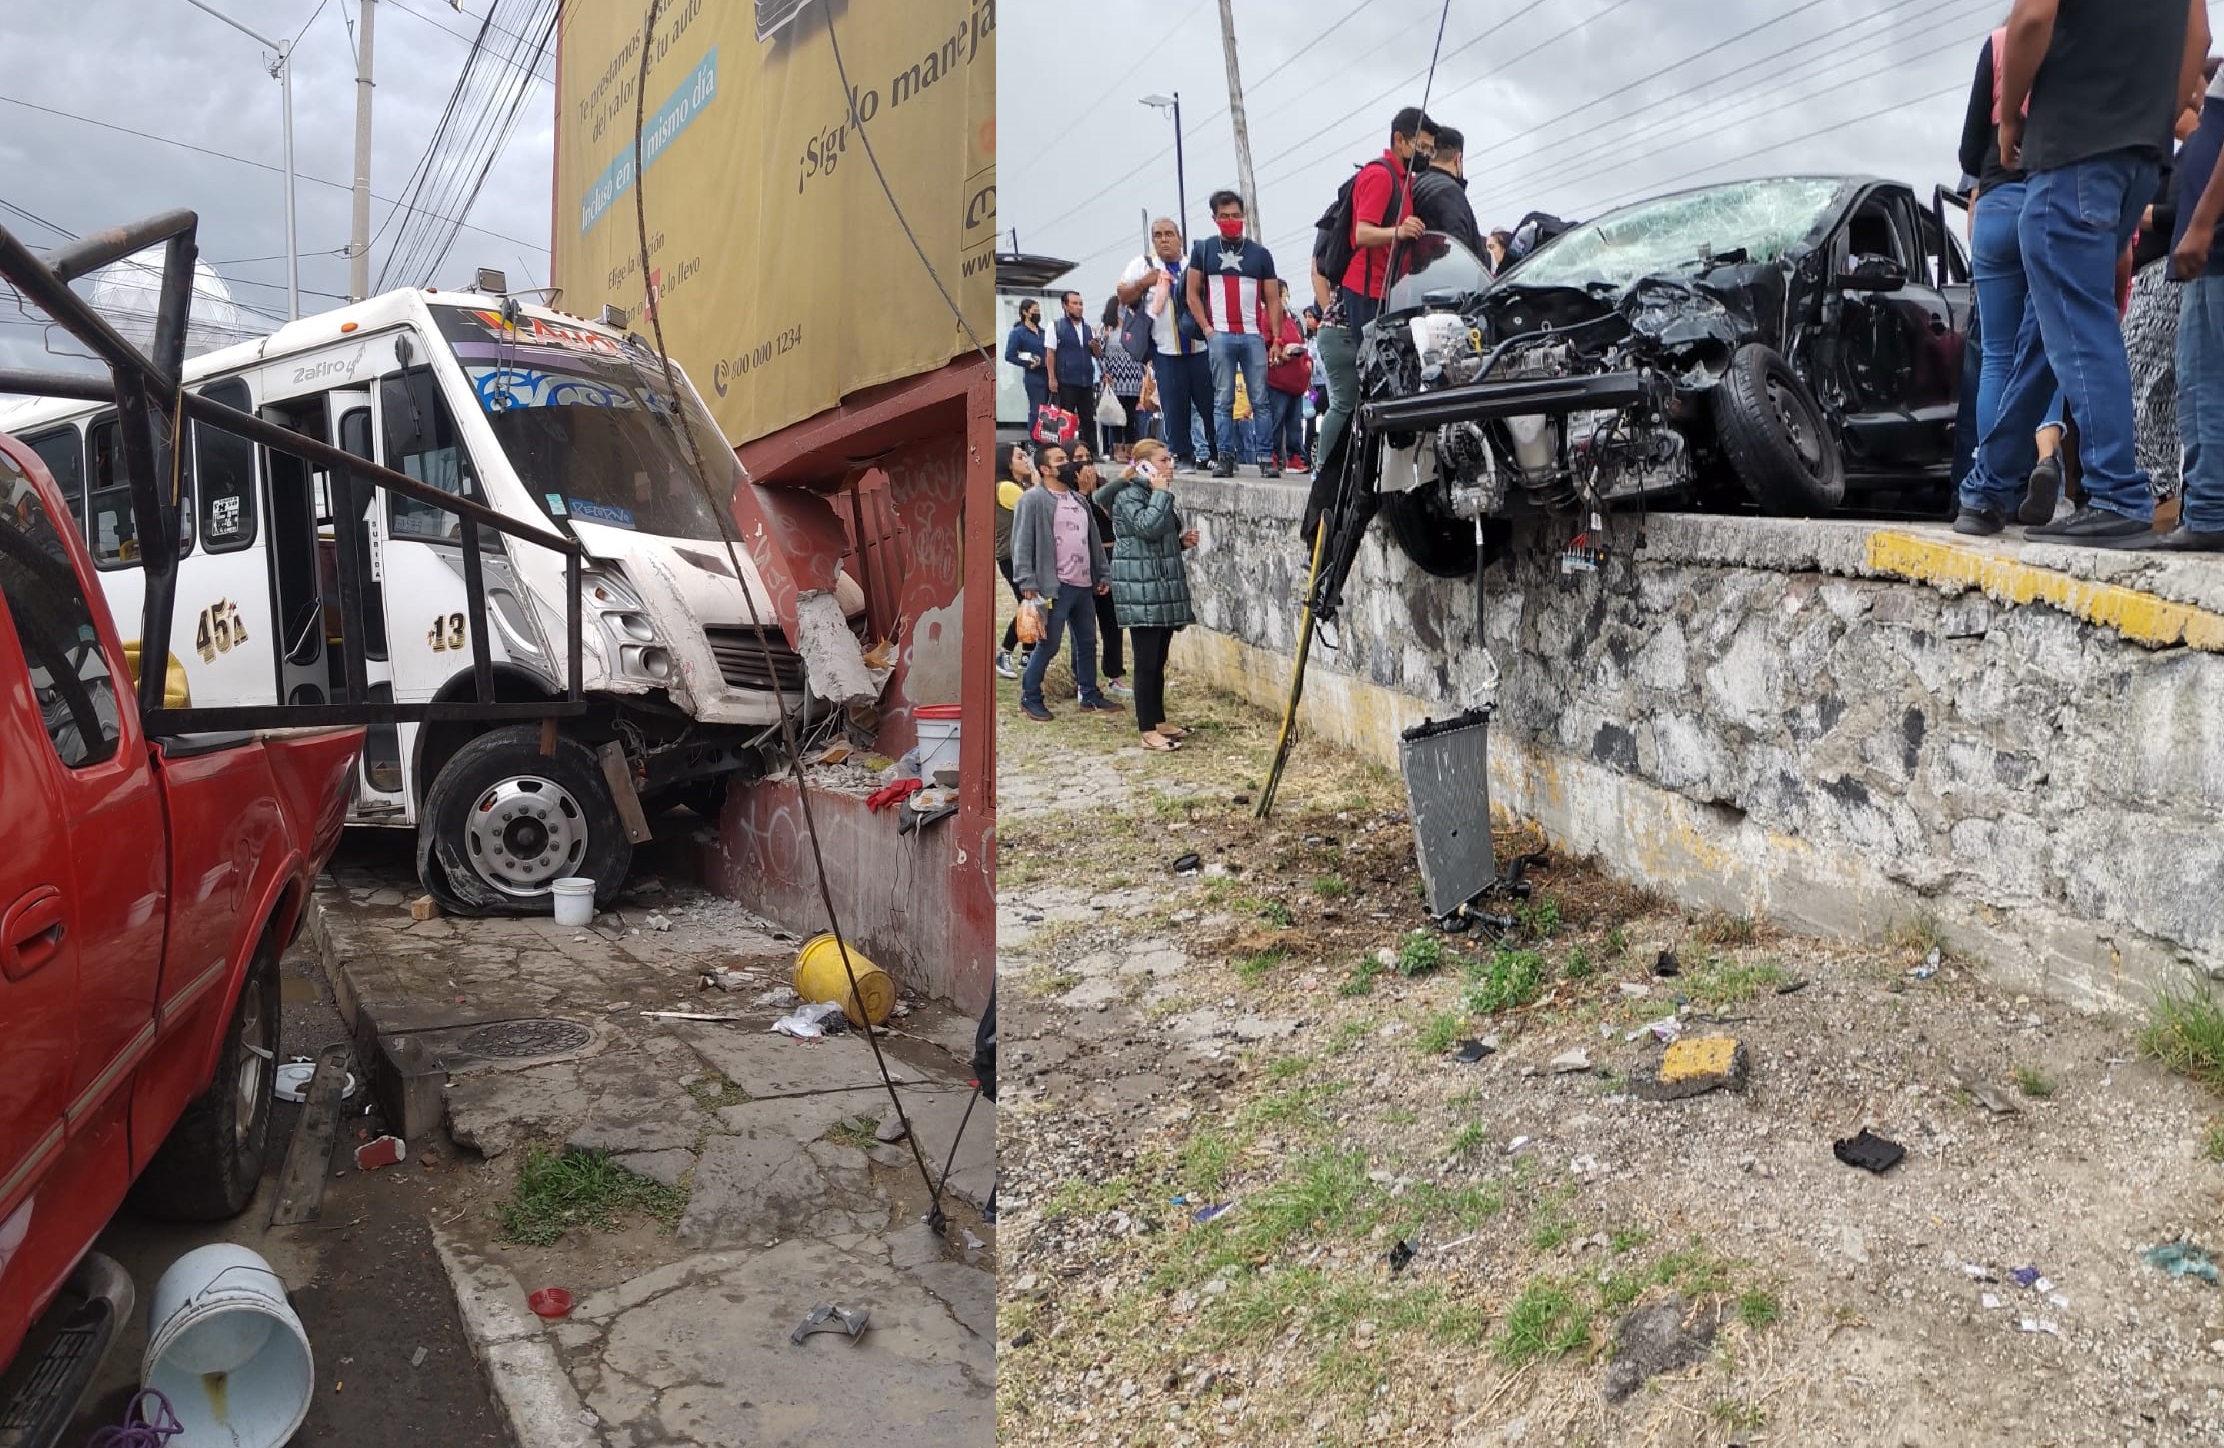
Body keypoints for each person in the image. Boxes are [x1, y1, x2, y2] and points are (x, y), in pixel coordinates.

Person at [1954, 0, 2208, 546]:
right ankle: (1989, 487)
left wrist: (2013, 115)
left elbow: (2031, 17)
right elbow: (2200, 36)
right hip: (2137, 159)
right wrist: (2156, 118)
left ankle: (2119, 492)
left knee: (2077, 321)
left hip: (2073, 152)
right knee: (2050, 328)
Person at [1315, 107, 1434, 474]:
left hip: (1380, 292)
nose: (1426, 154)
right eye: (1422, 146)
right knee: (1358, 393)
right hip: (1363, 291)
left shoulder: (1402, 180)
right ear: (1401, 140)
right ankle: (1326, 468)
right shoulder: (1381, 177)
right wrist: (1399, 231)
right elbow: (1362, 233)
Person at [1099, 440, 1198, 752]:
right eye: (1164, 460)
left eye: (1170, 459)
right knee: (1145, 662)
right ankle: (1146, 729)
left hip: (1159, 587)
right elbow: (1147, 527)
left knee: (1159, 660)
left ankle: (1159, 720)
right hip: (1141, 590)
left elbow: (1153, 539)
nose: (1170, 465)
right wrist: (1161, 493)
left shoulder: (1151, 494)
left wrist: (1180, 543)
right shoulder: (1129, 495)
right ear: (1144, 465)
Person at [1011, 442, 1121, 722]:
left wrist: (1102, 573)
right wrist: (1027, 579)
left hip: (1083, 584)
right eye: (1060, 460)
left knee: (1086, 641)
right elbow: (1021, 542)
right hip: (1053, 585)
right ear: (1045, 469)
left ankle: (1089, 692)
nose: (1068, 464)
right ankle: (1030, 696)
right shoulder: (1033, 500)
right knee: (1049, 644)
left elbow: (1092, 540)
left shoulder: (1079, 500)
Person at [2164, 56, 2224, 548]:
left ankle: (2209, 510)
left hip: (2216, 240)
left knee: (2211, 382)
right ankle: (2207, 511)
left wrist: (2201, 224)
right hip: (2209, 253)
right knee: (2199, 384)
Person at [1186, 190, 1286, 478]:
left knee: (1260, 399)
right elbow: (1192, 294)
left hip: (1253, 335)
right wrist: (1207, 329)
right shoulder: (1203, 250)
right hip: (1220, 335)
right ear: (1215, 218)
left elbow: (1273, 299)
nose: (1231, 221)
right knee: (1223, 399)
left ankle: (1267, 457)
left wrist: (1276, 338)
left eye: (1236, 216)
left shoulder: (1260, 254)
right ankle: (1225, 457)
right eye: (1225, 216)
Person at [1118, 218, 1217, 473]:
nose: (1164, 239)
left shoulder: (1193, 264)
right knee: (1174, 406)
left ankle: (1218, 453)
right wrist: (1143, 283)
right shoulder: (1142, 265)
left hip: (1200, 348)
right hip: (1165, 350)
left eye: (1169, 234)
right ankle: (1182, 454)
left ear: (1179, 238)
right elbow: (1122, 295)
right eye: (1158, 234)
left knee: (1210, 404)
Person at [1072, 444, 1130, 699]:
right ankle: (1082, 678)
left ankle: (1114, 673)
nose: (1086, 464)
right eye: (1078, 459)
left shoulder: (1106, 488)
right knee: (1082, 625)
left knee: (1112, 620)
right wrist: (1084, 493)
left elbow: (1116, 517)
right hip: (1083, 559)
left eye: (1088, 458)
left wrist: (1099, 491)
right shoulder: (1069, 495)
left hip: (1110, 554)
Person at [1411, 124, 1484, 257]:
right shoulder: (1451, 193)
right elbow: (1458, 251)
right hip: (1440, 275)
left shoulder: (1412, 185)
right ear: (1458, 158)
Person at [1044, 291, 1103, 456]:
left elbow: (1098, 355)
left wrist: (1095, 347)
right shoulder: (1056, 326)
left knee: (1087, 418)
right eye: (1075, 303)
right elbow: (1050, 353)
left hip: (1085, 380)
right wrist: (1052, 378)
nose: (1079, 307)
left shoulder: (1088, 328)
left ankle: (1090, 451)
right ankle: (1065, 452)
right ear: (1065, 306)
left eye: (1081, 304)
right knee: (1066, 418)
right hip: (1066, 380)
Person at [994, 442, 1034, 679]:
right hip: (1013, 555)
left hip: (1018, 553)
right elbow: (1035, 510)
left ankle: (1028, 652)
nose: (1026, 460)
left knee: (1032, 604)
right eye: (1020, 457)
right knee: (1027, 604)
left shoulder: (1018, 485)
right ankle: (1005, 651)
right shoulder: (1007, 488)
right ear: (1007, 464)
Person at [1265, 279, 1313, 471]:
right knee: (1276, 421)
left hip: (1297, 381)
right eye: (1283, 295)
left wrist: (1308, 361)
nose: (1286, 299)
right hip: (1278, 380)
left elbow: (1302, 342)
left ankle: (1295, 458)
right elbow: (1265, 345)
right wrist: (1281, 354)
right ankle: (1274, 456)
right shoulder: (1265, 317)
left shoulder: (1292, 320)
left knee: (1295, 423)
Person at [1098, 294, 1146, 455]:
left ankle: (1131, 449)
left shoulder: (1133, 327)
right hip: (1115, 379)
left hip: (1134, 379)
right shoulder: (1106, 328)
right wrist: (1104, 372)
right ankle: (1117, 449)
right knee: (1116, 415)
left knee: (1131, 416)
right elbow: (1099, 353)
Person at [1004, 299, 1049, 434]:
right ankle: (1035, 442)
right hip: (1034, 377)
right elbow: (1009, 355)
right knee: (1037, 410)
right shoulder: (1018, 333)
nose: (1038, 314)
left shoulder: (1043, 332)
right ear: (1025, 312)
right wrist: (1028, 363)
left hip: (1049, 373)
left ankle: (1049, 440)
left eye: (1039, 311)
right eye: (1035, 311)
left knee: (1049, 411)